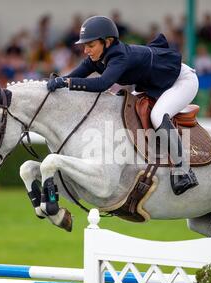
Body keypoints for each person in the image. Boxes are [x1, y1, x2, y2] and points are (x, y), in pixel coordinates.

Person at [47, 16, 198, 195]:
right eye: (84, 45)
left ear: (108, 42)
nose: (86, 50)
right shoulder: (96, 58)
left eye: (91, 45)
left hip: (181, 81)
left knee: (158, 115)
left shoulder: (119, 55)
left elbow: (102, 84)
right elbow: (71, 77)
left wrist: (65, 83)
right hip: (154, 85)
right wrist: (51, 84)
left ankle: (183, 169)